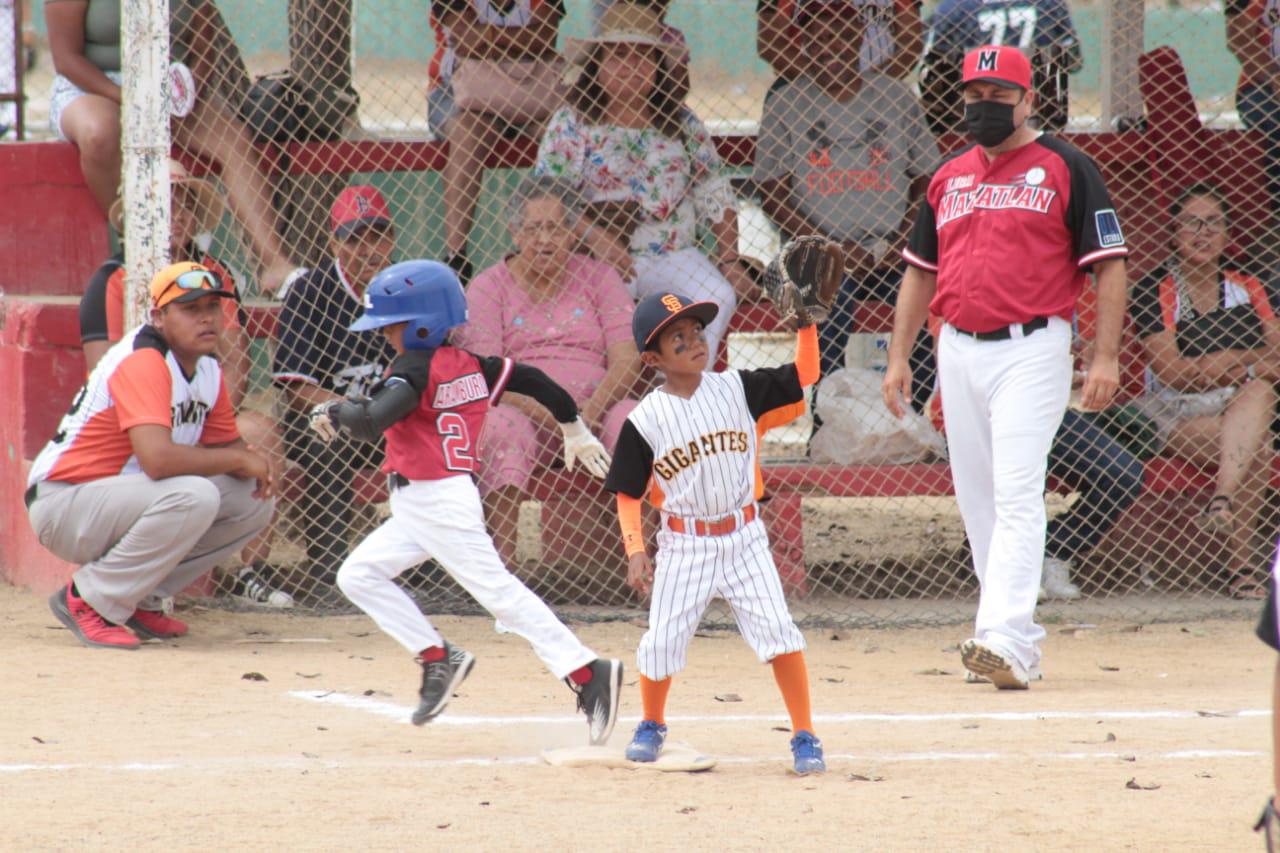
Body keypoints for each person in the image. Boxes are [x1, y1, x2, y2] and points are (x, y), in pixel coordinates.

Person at [881, 45, 1129, 689]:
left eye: (998, 96)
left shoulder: (1067, 166)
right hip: (957, 347)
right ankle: (1007, 641)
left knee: (1018, 491)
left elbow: (1109, 264)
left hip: (1032, 346)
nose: (983, 107)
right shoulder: (948, 176)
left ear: (1028, 100)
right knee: (977, 499)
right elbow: (919, 272)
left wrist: (1104, 355)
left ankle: (1004, 638)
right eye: (974, 96)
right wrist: (899, 356)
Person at [311, 259, 624, 740]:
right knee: (358, 575)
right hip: (425, 503)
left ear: (422, 324)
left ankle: (586, 671)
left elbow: (372, 421)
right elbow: (534, 379)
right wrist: (573, 425)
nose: (385, 334)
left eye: (392, 325)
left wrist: (336, 410)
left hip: (438, 501)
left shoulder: (413, 368)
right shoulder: (472, 364)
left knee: (499, 595)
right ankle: (439, 658)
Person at [604, 291, 825, 775]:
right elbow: (628, 492)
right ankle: (651, 723)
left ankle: (804, 732)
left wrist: (806, 326)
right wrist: (635, 549)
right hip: (684, 544)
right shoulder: (644, 421)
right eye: (677, 339)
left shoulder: (738, 388)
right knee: (662, 642)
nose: (694, 342)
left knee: (779, 633)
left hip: (745, 539)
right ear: (652, 359)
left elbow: (804, 375)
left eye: (697, 332)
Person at [77, 159, 293, 608]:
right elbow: (102, 374)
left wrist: (205, 419)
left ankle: (249, 573)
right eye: (164, 203)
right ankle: (122, 580)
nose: (176, 215)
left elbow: (236, 361)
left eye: (186, 205)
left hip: (200, 413)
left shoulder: (214, 275)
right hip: (136, 426)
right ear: (139, 213)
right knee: (170, 470)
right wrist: (163, 423)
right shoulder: (112, 279)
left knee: (261, 434)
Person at [28, 261, 276, 650]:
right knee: (195, 495)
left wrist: (250, 460)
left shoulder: (208, 370)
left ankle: (141, 598)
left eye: (212, 307)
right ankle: (90, 599)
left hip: (121, 502)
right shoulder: (143, 359)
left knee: (251, 500)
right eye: (191, 309)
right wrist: (239, 460)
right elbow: (158, 461)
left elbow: (227, 448)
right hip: (66, 503)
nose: (207, 318)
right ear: (159, 317)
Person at [535, 2, 753, 361]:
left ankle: (681, 386)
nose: (631, 65)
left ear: (658, 66)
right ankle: (621, 387)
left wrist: (729, 260)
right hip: (602, 253)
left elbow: (714, 189)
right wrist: (596, 238)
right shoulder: (571, 122)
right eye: (618, 55)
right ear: (597, 64)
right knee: (615, 309)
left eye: (643, 55)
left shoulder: (682, 122)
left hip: (674, 253)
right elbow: (548, 198)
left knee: (717, 295)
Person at [44, 0, 299, 293]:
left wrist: (185, 96)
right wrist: (131, 99)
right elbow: (66, 59)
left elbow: (203, 50)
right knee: (98, 135)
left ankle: (274, 264)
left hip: (168, 87)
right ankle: (137, 246)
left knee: (234, 140)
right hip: (93, 86)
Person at [453, 175, 641, 567]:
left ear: (572, 233)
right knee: (499, 424)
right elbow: (486, 375)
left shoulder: (600, 277)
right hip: (527, 416)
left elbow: (627, 357)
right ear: (514, 232)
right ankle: (500, 568)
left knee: (634, 421)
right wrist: (561, 417)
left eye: (555, 228)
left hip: (596, 412)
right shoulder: (488, 287)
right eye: (532, 229)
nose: (544, 240)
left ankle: (642, 561)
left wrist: (586, 415)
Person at [755, 1, 937, 386]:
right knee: (827, 306)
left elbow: (926, 178)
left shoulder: (894, 95)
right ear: (804, 43)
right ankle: (828, 409)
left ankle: (914, 407)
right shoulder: (786, 102)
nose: (830, 47)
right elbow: (772, 194)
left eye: (840, 35)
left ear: (859, 37)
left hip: (891, 248)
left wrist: (901, 241)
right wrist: (831, 248)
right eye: (818, 38)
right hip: (817, 253)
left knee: (926, 300)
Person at [1130, 183, 1279, 600]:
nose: (1203, 233)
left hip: (1239, 401)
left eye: (1214, 223)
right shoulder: (1155, 288)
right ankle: (1241, 567)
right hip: (1173, 409)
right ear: (1174, 232)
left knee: (1260, 389)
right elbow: (1173, 373)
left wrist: (1228, 364)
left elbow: (1277, 356)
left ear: (1228, 233)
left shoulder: (1248, 283)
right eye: (1192, 224)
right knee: (1257, 448)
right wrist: (1247, 361)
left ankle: (1221, 502)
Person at [271, 185, 398, 598]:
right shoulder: (311, 290)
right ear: (334, 243)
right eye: (355, 239)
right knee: (327, 434)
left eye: (378, 236)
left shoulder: (405, 285)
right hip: (326, 418)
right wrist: (351, 408)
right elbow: (296, 389)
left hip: (391, 418)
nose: (369, 250)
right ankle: (331, 577)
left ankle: (423, 572)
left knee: (430, 433)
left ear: (393, 239)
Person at [428, 0, 568, 283]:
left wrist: (488, 35)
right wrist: (523, 40)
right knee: (468, 131)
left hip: (529, 95)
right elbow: (466, 39)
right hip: (463, 94)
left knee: (559, 132)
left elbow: (545, 36)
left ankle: (564, 242)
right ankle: (456, 258)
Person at [920, 0, 1082, 135]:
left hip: (968, 112)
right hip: (1034, 110)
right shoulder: (1049, 4)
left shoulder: (953, 7)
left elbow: (931, 69)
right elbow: (1074, 63)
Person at [758, 0, 923, 87]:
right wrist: (827, 83)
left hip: (882, 88)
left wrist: (873, 85)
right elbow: (770, 43)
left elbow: (911, 42)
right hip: (806, 90)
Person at [588, 0, 690, 103]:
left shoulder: (671, 35)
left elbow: (682, 85)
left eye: (644, 54)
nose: (631, 64)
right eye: (620, 54)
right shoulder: (608, 30)